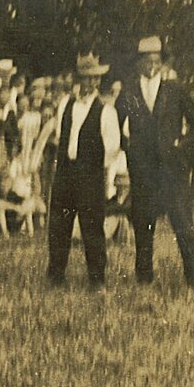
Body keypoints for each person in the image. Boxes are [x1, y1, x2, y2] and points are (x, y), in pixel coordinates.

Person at [117, 35, 194, 286]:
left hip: (172, 170)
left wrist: (181, 146)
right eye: (146, 61)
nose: (151, 65)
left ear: (162, 63)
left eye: (156, 60)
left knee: (182, 224)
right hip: (143, 171)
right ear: (138, 63)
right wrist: (128, 149)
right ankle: (144, 278)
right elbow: (114, 123)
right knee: (143, 225)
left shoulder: (175, 89)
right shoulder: (130, 90)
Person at [47, 53, 120, 289]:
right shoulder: (65, 105)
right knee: (59, 225)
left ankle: (96, 279)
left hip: (90, 174)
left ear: (98, 81)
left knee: (91, 227)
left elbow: (111, 149)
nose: (89, 84)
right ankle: (56, 275)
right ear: (78, 79)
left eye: (93, 79)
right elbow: (61, 136)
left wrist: (102, 178)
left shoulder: (106, 111)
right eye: (85, 78)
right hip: (66, 172)